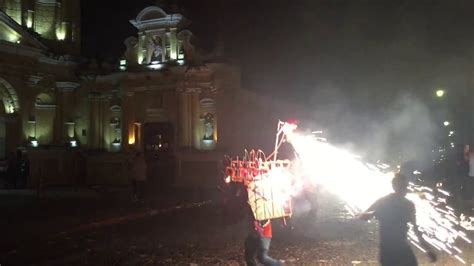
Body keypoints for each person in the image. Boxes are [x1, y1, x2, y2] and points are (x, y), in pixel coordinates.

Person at [359, 173, 437, 266]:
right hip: (389, 250)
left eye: (406, 186)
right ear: (394, 186)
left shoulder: (408, 205)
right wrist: (376, 212)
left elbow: (416, 229)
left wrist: (428, 249)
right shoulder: (385, 201)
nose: (405, 189)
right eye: (402, 186)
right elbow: (363, 217)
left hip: (398, 248)